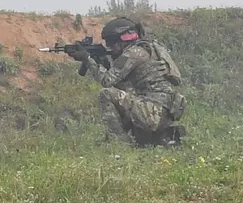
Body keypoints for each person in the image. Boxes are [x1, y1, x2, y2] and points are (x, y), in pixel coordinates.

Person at [65, 17, 186, 147]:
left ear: (120, 40)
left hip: (151, 112)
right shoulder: (152, 48)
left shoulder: (132, 53)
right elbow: (123, 84)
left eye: (111, 43)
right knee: (122, 91)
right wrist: (102, 63)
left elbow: (107, 81)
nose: (111, 47)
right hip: (166, 112)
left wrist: (87, 59)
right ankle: (146, 138)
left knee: (105, 94)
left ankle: (119, 143)